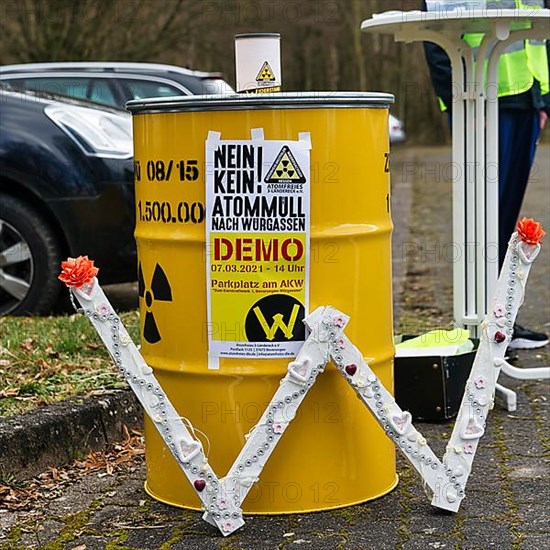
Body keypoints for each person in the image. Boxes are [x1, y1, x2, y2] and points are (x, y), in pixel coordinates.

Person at [422, 0, 550, 349]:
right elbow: (434, 31)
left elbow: (540, 32)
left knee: (504, 218)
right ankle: (480, 323)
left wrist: (543, 99)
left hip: (527, 100)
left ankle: (500, 319)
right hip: (478, 97)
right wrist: (460, 98)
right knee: (481, 217)